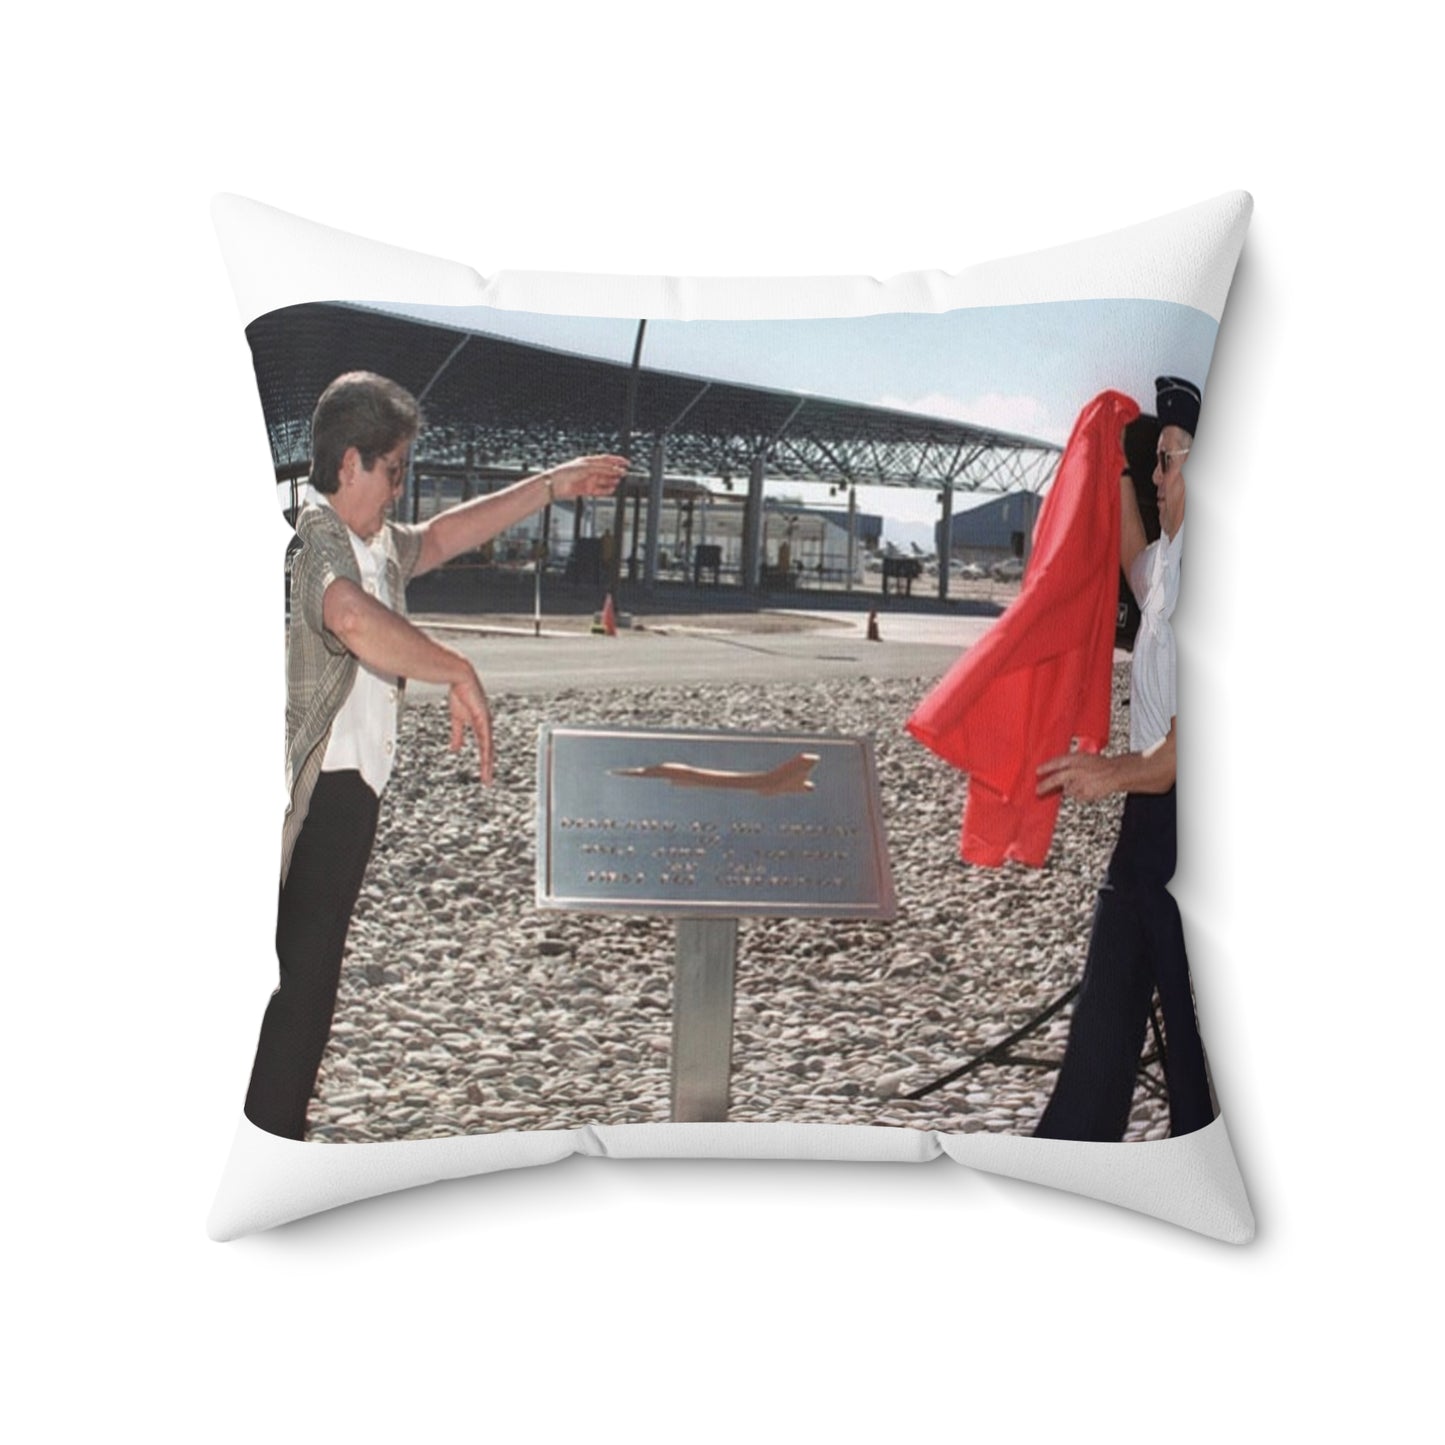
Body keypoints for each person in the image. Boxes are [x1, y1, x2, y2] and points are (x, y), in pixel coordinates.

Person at [244, 371, 627, 1140]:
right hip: (308, 798)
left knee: (305, 987)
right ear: (348, 463)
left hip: (347, 797)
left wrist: (550, 486)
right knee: (290, 987)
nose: (398, 488)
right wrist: (454, 666)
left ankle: (269, 1130)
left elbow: (449, 533)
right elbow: (349, 616)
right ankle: (262, 1134)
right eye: (392, 470)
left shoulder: (371, 542)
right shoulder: (312, 537)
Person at [1032, 376, 1214, 1142]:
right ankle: (1073, 1143)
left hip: (1185, 824)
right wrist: (1109, 461)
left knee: (1190, 1021)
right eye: (1159, 458)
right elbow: (1131, 546)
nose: (1158, 471)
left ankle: (1202, 1150)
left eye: (1170, 459)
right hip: (1149, 820)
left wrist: (1111, 770)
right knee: (1110, 997)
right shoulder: (1171, 564)